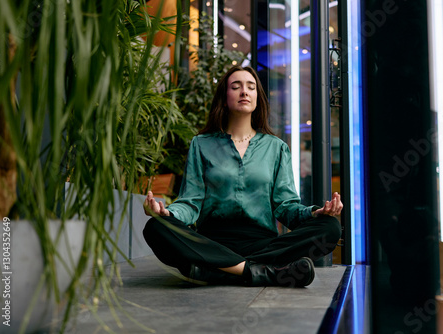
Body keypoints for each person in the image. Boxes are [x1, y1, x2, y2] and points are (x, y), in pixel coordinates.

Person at [143, 65, 342, 288]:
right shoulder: (201, 144)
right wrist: (168, 212)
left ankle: (214, 271)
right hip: (212, 242)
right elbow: (191, 202)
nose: (244, 92)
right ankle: (259, 271)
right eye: (235, 87)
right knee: (156, 227)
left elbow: (286, 207)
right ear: (224, 97)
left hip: (263, 243)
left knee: (330, 228)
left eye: (251, 87)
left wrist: (315, 213)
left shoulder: (276, 148)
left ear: (258, 98)